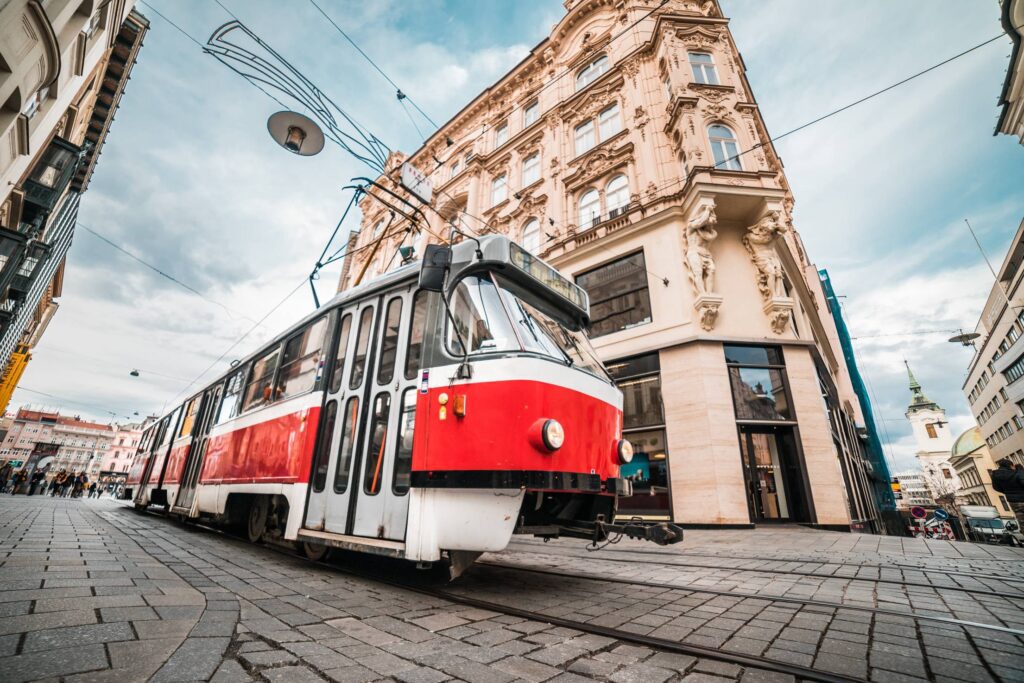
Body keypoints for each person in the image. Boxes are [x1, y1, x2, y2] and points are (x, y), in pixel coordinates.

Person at [991, 458, 1024, 524]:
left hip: (1013, 502)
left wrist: (1007, 492)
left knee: (1022, 521)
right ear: (1011, 466)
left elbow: (996, 487)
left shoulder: (996, 475)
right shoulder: (1017, 472)